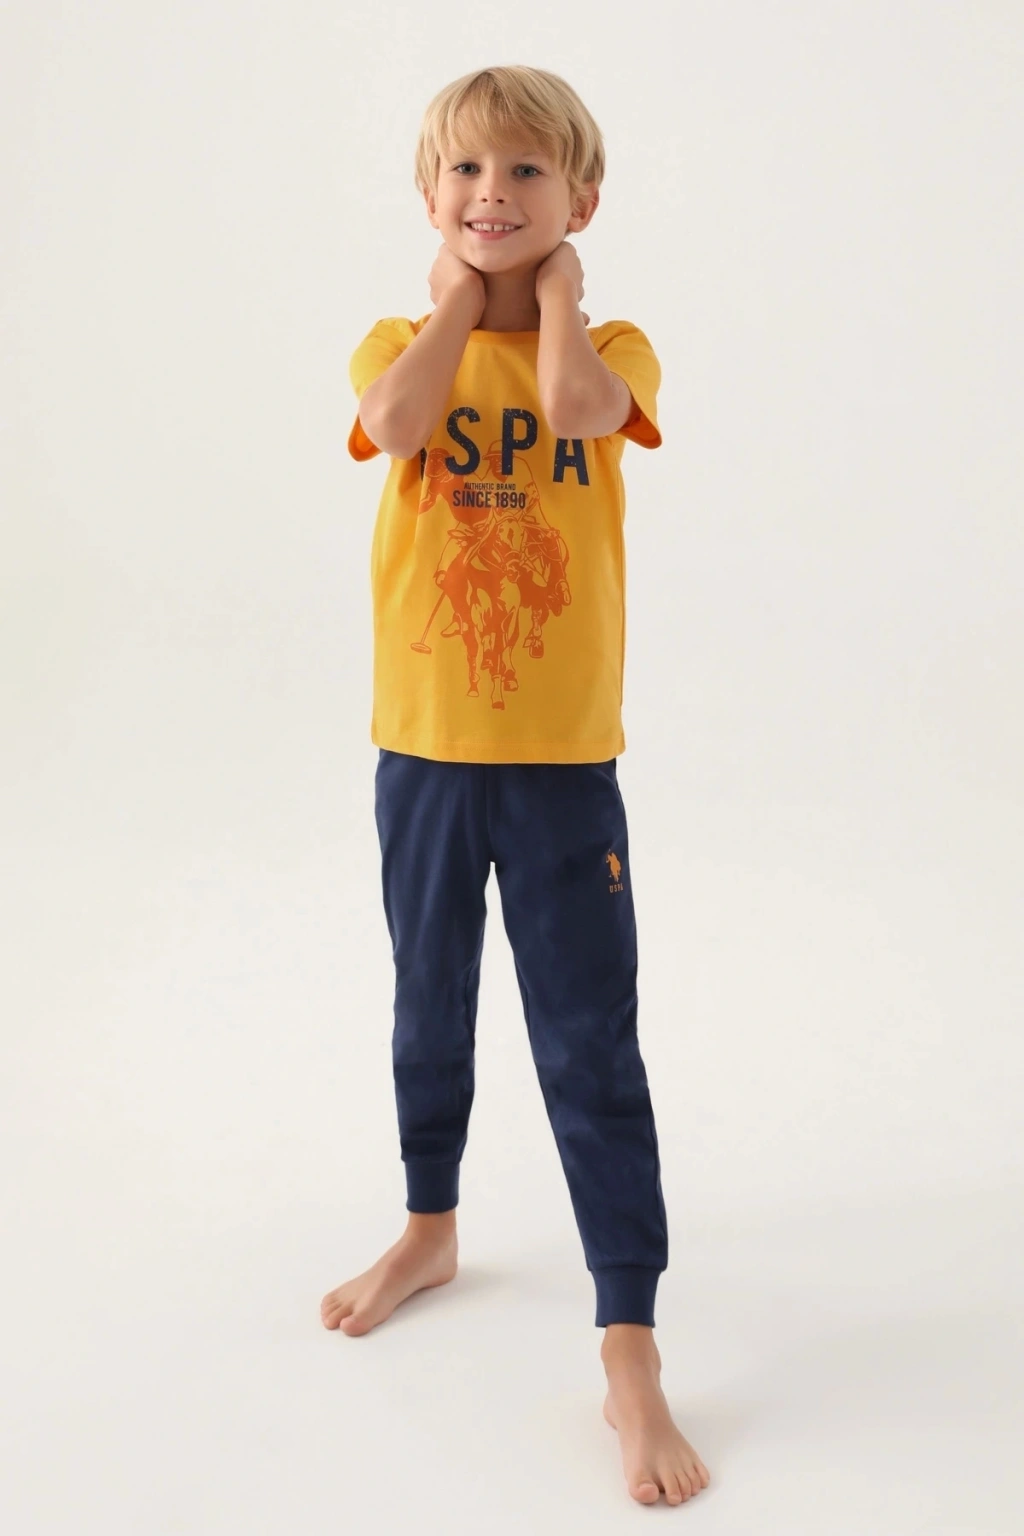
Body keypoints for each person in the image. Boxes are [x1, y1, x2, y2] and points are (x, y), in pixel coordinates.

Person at [321, 64, 711, 1509]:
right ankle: (430, 1228)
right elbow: (398, 423)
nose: (494, 195)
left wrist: (553, 297)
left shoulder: (614, 347)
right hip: (425, 749)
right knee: (428, 1006)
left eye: (527, 174)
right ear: (432, 200)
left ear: (580, 203)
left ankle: (628, 1346)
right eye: (468, 174)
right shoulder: (394, 342)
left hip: (558, 765)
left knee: (590, 1045)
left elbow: (572, 403)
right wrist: (449, 304)